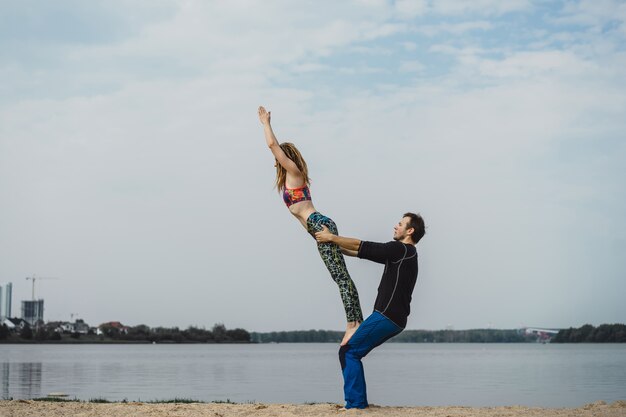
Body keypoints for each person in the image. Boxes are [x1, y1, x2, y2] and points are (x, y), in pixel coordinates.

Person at [258, 106, 363, 345]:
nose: (276, 163)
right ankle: (356, 322)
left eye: (278, 160)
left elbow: (273, 146)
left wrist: (265, 124)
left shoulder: (295, 172)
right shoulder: (290, 179)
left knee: (340, 277)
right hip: (316, 228)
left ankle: (353, 325)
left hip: (319, 224)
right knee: (341, 275)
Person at [315, 212, 425, 409]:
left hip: (386, 316)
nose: (395, 226)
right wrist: (330, 244)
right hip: (393, 318)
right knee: (351, 351)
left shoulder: (400, 250)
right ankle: (357, 402)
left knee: (348, 351)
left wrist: (331, 237)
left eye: (400, 224)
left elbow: (361, 245)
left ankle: (356, 405)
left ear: (410, 231)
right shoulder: (404, 254)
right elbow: (358, 252)